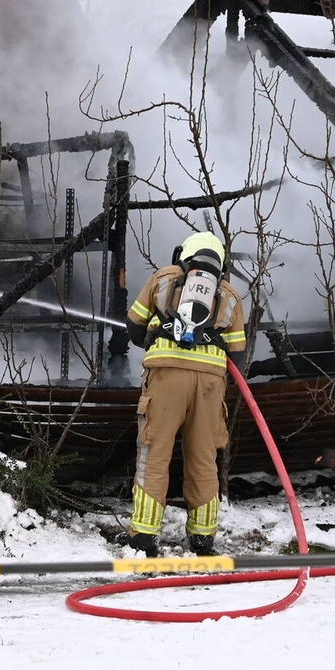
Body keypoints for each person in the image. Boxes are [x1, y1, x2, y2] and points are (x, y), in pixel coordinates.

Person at [121, 230, 245, 557]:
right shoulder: (230, 295)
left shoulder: (164, 279)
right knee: (204, 457)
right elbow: (239, 356)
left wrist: (156, 331)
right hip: (209, 385)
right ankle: (203, 538)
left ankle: (144, 536)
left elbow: (133, 327)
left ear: (184, 254)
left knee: (155, 451)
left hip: (165, 378)